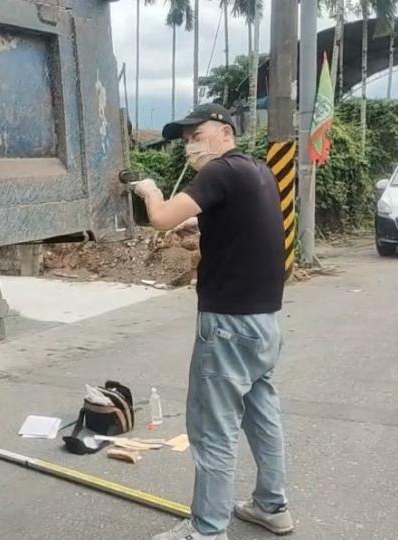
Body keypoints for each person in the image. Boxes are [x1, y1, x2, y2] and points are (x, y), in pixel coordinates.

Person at [133, 104, 295, 540]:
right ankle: (271, 506)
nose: (189, 145)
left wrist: (151, 191)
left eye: (196, 134)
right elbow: (232, 224)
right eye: (184, 138)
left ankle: (206, 531)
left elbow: (162, 218)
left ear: (225, 132)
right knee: (262, 414)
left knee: (213, 429)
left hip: (227, 326)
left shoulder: (220, 172)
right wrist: (197, 224)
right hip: (263, 324)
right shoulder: (256, 171)